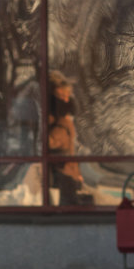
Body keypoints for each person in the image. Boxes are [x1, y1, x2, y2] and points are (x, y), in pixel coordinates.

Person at [47, 70, 88, 206]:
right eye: (62, 96)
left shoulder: (64, 120)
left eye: (67, 96)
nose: (66, 99)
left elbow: (68, 147)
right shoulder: (58, 121)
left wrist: (77, 173)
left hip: (67, 172)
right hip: (63, 173)